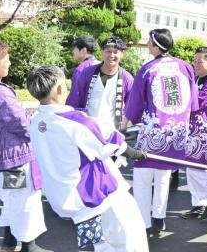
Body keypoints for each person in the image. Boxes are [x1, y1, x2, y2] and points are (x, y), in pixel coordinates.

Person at [26, 66, 148, 251]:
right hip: (95, 193)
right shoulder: (73, 119)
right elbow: (106, 139)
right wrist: (132, 152)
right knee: (129, 235)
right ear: (59, 89)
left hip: (65, 197)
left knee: (100, 243)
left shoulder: (36, 121)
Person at [0, 40, 47, 252]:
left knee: (12, 200)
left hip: (1, 158)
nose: (10, 62)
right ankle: (29, 246)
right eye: (6, 59)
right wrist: (36, 118)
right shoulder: (0, 91)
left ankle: (9, 243)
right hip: (16, 158)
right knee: (25, 201)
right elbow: (20, 124)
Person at [124, 29, 199, 233]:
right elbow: (193, 103)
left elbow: (135, 106)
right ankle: (159, 218)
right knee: (163, 176)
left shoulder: (148, 69)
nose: (147, 44)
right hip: (176, 133)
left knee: (142, 176)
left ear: (156, 46)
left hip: (153, 132)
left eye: (149, 42)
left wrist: (129, 121)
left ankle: (144, 222)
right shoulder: (185, 67)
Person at [181, 47, 207, 220]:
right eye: (194, 60)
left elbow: (200, 101)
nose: (195, 64)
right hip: (194, 131)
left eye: (199, 61)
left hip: (206, 131)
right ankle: (199, 204)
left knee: (195, 167)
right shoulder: (196, 79)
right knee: (192, 168)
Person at [66, 37, 134, 131]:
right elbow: (74, 101)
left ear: (121, 54)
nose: (111, 55)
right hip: (87, 130)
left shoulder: (127, 79)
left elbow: (132, 106)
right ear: (102, 52)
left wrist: (124, 125)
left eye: (115, 52)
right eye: (108, 51)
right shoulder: (87, 73)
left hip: (113, 132)